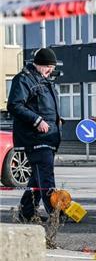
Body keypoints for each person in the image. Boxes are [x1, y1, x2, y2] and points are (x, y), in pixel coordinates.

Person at [7, 48, 63, 223]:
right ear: (39, 65)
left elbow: (46, 107)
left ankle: (26, 211)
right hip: (35, 138)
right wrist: (37, 120)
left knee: (37, 178)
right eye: (48, 67)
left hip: (48, 138)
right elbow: (14, 105)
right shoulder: (24, 79)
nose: (50, 70)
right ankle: (55, 213)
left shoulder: (44, 81)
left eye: (52, 67)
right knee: (46, 176)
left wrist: (57, 121)